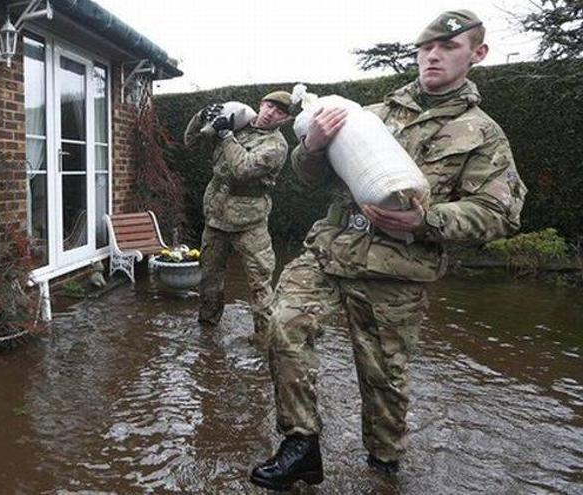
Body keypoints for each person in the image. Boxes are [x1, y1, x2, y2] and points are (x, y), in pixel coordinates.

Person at [250, 10, 527, 490]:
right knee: (283, 322)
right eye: (425, 48)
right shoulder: (370, 115)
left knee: (384, 380)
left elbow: (498, 213)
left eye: (448, 47)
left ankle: (384, 463)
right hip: (330, 250)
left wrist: (427, 220)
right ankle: (301, 443)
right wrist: (311, 147)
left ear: (477, 54)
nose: (433, 56)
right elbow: (310, 178)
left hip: (397, 269)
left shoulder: (483, 135)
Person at [184, 91, 293, 340]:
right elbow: (191, 142)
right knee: (209, 277)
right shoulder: (238, 123)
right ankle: (208, 329)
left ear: (284, 120)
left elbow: (242, 170)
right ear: (261, 104)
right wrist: (200, 117)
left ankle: (265, 340)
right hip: (216, 218)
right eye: (269, 106)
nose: (271, 113)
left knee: (259, 281)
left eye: (279, 112)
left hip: (250, 223)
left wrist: (226, 136)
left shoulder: (276, 146)